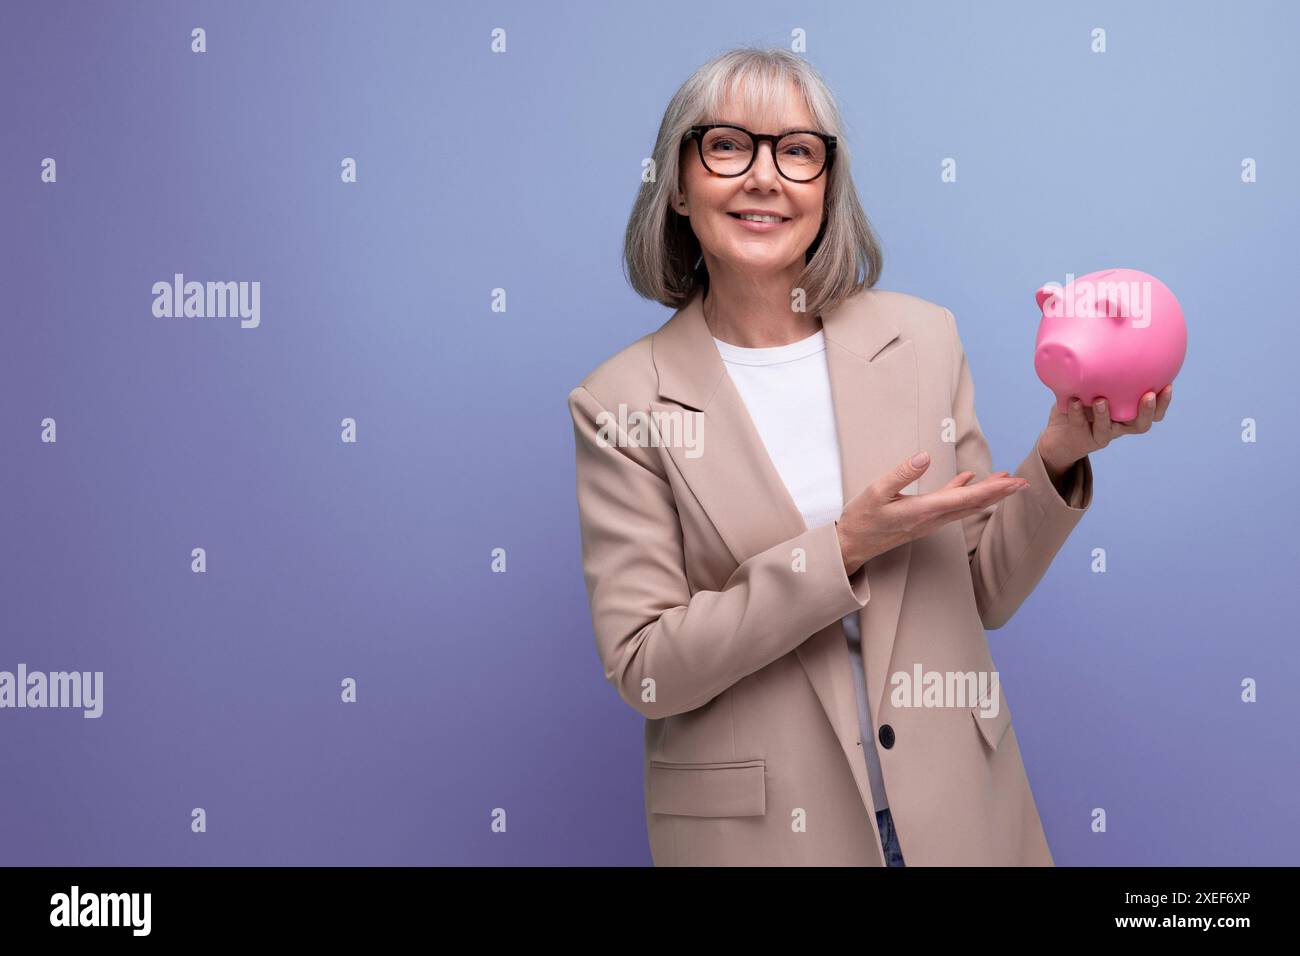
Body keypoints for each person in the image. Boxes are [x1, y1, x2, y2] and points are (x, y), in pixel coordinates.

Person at [567, 47, 1172, 866]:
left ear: (826, 185)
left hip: (961, 815)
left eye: (797, 150)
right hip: (766, 841)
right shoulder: (620, 404)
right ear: (677, 183)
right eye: (726, 146)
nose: (764, 176)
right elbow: (647, 668)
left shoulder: (922, 339)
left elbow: (983, 589)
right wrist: (843, 548)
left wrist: (1058, 455)